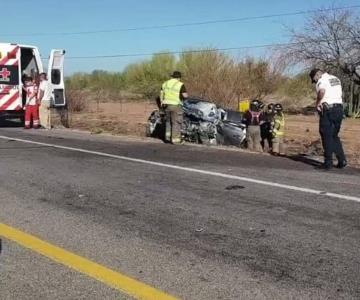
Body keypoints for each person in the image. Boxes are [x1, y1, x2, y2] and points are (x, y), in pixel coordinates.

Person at [309, 68, 347, 169]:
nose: (315, 82)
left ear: (317, 75)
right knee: (334, 136)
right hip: (339, 109)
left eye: (314, 79)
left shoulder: (322, 80)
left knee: (326, 135)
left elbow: (322, 91)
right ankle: (342, 160)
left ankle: (328, 163)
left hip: (328, 110)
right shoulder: (335, 79)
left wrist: (317, 103)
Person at [160, 71, 188, 144]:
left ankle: (167, 138)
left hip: (166, 106)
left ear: (172, 76)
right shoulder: (180, 84)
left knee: (168, 121)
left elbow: (161, 94)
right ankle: (176, 140)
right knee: (176, 122)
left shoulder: (165, 83)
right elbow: (185, 96)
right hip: (176, 105)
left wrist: (162, 103)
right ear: (179, 77)